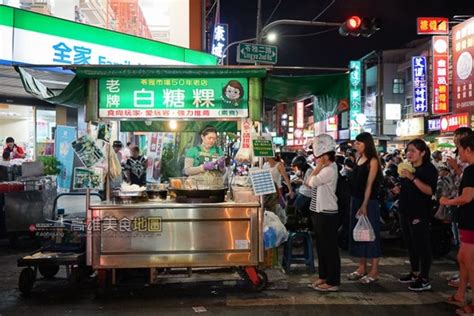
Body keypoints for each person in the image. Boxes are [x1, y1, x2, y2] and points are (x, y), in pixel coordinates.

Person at [440, 134, 474, 315]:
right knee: (463, 258)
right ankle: (461, 294)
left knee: (468, 260)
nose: (458, 153)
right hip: (468, 221)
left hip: (471, 221)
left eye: (459, 148)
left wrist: (447, 201)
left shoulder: (471, 170)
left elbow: (468, 197)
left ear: (468, 149)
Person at [397, 139, 438, 292]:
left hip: (419, 212)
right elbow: (407, 188)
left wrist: (412, 178)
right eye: (408, 150)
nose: (409, 153)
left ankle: (425, 277)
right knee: (410, 243)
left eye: (413, 150)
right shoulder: (408, 167)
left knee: (422, 244)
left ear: (423, 153)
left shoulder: (428, 169)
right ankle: (415, 272)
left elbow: (429, 191)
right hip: (404, 210)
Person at [347, 132, 382, 284]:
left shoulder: (373, 161)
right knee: (360, 233)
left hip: (369, 201)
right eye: (356, 143)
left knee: (371, 234)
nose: (357, 145)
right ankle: (362, 267)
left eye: (359, 143)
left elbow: (370, 184)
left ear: (367, 144)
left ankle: (374, 271)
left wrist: (364, 204)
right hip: (355, 199)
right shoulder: (358, 158)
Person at [306, 134, 340, 292]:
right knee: (321, 247)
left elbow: (310, 182)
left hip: (327, 213)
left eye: (319, 157)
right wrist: (318, 166)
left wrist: (318, 167)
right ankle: (323, 276)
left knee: (329, 249)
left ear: (326, 156)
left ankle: (333, 281)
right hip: (319, 212)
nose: (316, 159)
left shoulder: (329, 170)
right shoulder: (326, 168)